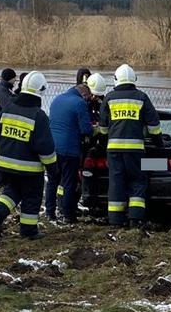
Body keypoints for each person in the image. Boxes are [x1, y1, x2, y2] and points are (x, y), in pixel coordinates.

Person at [0, 71, 57, 240]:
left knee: (12, 192)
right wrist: (53, 169)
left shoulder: (9, 107)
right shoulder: (39, 116)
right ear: (40, 91)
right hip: (29, 169)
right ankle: (28, 231)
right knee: (32, 197)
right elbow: (45, 148)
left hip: (5, 165)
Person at [98, 64, 163, 228]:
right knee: (137, 181)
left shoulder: (109, 98)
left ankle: (115, 219)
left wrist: (101, 143)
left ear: (116, 80)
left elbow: (103, 127)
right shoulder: (141, 97)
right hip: (135, 151)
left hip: (113, 151)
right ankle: (136, 219)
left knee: (116, 182)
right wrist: (158, 144)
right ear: (134, 79)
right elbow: (154, 125)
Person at [45, 75, 98, 223]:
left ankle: (49, 212)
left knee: (52, 181)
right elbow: (86, 130)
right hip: (69, 149)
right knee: (69, 183)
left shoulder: (57, 99)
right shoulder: (79, 103)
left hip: (53, 148)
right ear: (84, 94)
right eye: (88, 97)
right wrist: (96, 128)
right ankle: (68, 215)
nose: (88, 99)